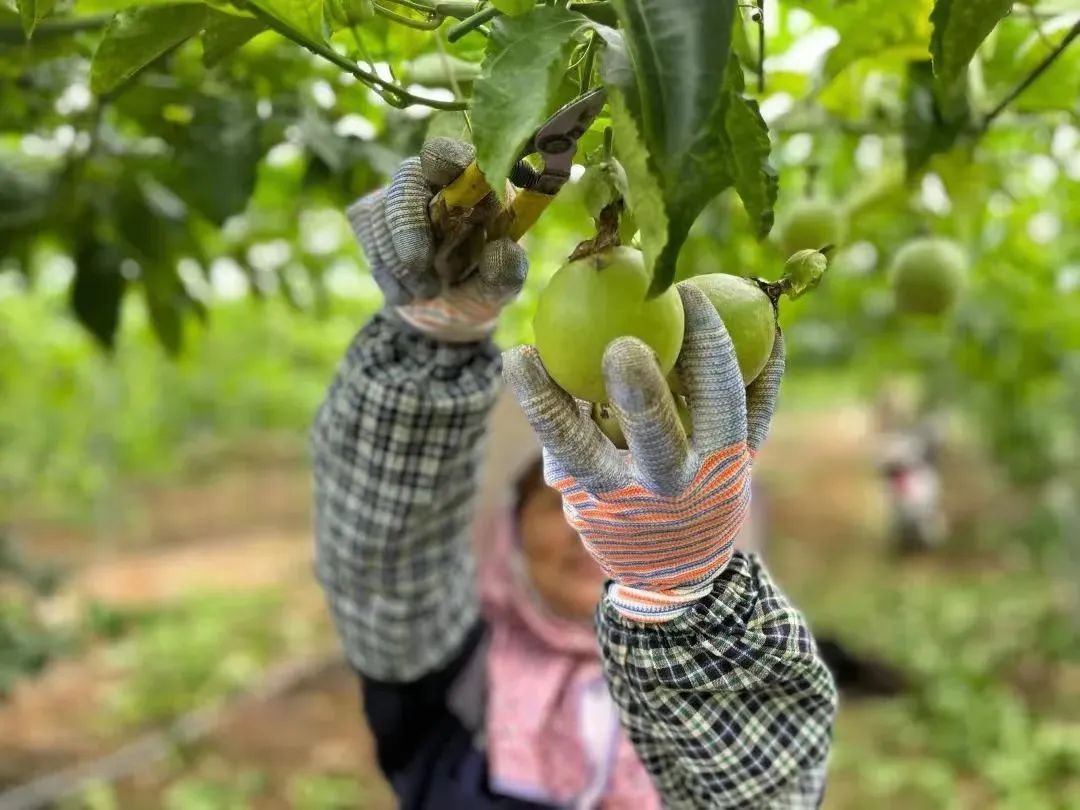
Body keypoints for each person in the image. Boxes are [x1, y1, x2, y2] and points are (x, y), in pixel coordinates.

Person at [311, 139, 838, 809]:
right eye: (563, 503)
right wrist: (425, 348)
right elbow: (384, 565)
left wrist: (684, 598)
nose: (590, 534)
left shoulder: (715, 692)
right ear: (508, 534)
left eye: (606, 506)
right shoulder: (461, 680)